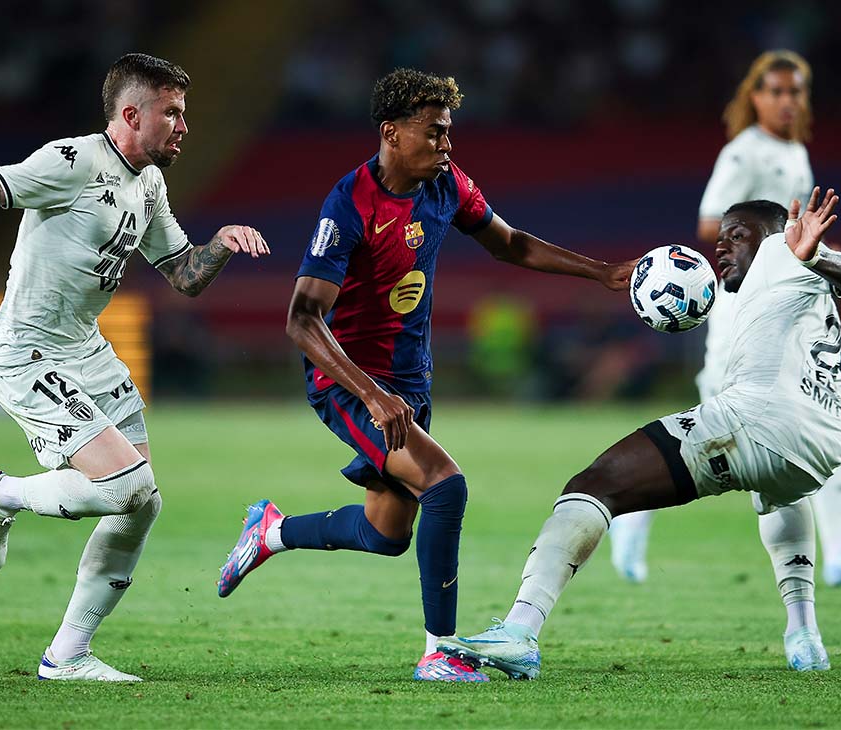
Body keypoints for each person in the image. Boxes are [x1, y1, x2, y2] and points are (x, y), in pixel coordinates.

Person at [0, 53, 269, 682]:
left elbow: (183, 275)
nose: (183, 125)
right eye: (171, 113)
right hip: (26, 351)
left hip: (86, 350)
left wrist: (221, 244)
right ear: (131, 114)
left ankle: (67, 655)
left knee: (141, 501)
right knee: (123, 483)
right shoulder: (72, 161)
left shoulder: (148, 184)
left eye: (185, 113)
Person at [214, 68, 635, 682]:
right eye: (434, 133)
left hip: (409, 384)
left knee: (387, 533)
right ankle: (440, 651)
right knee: (445, 484)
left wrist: (599, 273)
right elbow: (302, 321)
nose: (446, 145)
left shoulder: (446, 186)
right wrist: (372, 394)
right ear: (391, 132)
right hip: (350, 383)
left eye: (448, 133)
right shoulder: (350, 203)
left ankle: (272, 531)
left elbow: (509, 243)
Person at [440, 189, 841, 680]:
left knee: (593, 486)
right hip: (816, 450)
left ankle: (519, 632)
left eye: (736, 235)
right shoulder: (809, 322)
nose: (721, 247)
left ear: (772, 235)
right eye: (720, 238)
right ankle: (804, 636)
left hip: (751, 422)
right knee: (783, 490)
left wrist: (810, 252)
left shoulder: (783, 251)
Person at [609, 50, 841, 590]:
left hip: (783, 311)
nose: (787, 101)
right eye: (776, 91)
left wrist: (811, 249)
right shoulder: (744, 152)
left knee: (819, 412)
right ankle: (631, 514)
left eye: (796, 92)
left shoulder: (794, 151)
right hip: (742, 316)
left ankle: (839, 550)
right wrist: (777, 249)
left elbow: (790, 232)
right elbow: (709, 224)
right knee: (712, 428)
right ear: (756, 97)